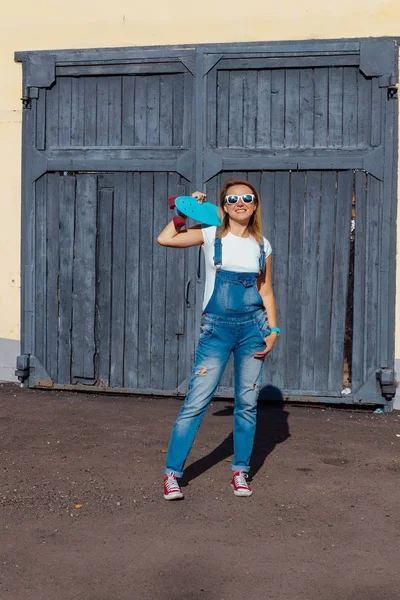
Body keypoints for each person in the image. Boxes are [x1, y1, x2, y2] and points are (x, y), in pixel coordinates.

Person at [157, 179, 279, 500]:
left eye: (247, 198)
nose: (240, 203)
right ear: (224, 206)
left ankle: (240, 471)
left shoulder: (262, 246)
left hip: (253, 330)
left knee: (247, 405)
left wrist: (274, 330)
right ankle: (172, 475)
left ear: (255, 205)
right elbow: (165, 239)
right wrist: (185, 214)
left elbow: (265, 289)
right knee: (196, 402)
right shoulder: (211, 235)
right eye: (233, 199)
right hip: (216, 329)